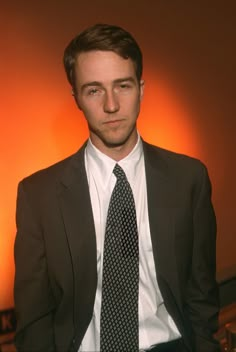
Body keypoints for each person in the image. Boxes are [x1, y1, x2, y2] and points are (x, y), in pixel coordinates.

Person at [14, 24, 220, 352]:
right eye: (94, 90)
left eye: (122, 86)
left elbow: (202, 297)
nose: (111, 105)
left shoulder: (188, 179)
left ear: (141, 88)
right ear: (76, 98)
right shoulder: (38, 195)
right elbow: (34, 319)